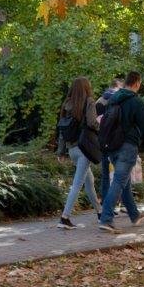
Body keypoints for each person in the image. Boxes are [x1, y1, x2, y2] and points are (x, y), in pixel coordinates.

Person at [96, 70, 144, 231]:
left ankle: (134, 214)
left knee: (124, 182)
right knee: (119, 181)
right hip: (127, 146)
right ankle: (106, 219)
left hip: (111, 146)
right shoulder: (135, 101)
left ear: (125, 83)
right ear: (137, 83)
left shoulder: (112, 100)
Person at [57, 76, 101, 228]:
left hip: (72, 150)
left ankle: (100, 212)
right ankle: (65, 217)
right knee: (77, 184)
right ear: (86, 88)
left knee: (89, 182)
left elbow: (62, 130)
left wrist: (60, 152)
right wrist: (100, 122)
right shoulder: (89, 101)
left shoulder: (66, 104)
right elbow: (92, 123)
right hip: (84, 148)